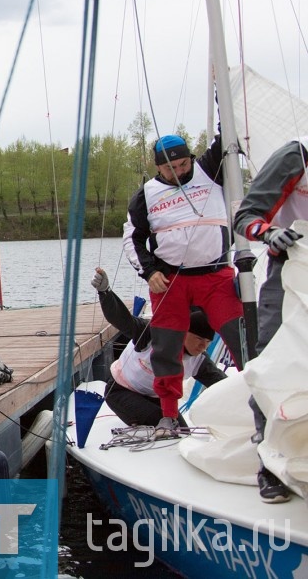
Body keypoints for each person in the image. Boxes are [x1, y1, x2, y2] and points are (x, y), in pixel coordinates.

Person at [123, 133, 253, 440]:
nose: (178, 172)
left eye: (182, 165)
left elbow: (227, 132)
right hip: (170, 280)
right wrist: (148, 271)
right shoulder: (145, 195)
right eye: (170, 169)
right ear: (156, 167)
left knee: (241, 334)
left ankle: (257, 401)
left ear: (190, 159)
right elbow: (133, 238)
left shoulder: (210, 170)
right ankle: (168, 414)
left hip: (215, 274)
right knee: (166, 346)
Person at [232, 137, 307, 504]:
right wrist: (271, 234)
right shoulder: (298, 155)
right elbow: (245, 217)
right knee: (272, 361)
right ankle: (268, 464)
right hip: (292, 268)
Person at [90, 268, 224, 427]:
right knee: (158, 419)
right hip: (121, 391)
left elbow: (222, 384)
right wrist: (105, 292)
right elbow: (121, 319)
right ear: (184, 331)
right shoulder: (151, 333)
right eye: (199, 339)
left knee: (181, 429)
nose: (203, 347)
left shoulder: (200, 361)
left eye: (208, 342)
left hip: (155, 398)